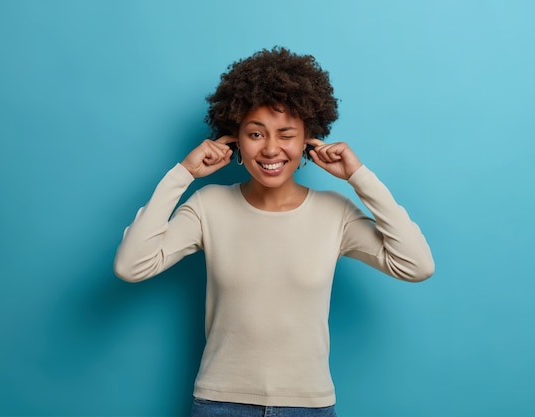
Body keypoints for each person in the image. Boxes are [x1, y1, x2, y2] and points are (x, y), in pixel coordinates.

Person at [114, 46, 434, 417]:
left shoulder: (335, 213)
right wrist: (181, 174)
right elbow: (131, 265)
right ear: (234, 139)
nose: (270, 149)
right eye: (255, 133)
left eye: (286, 134)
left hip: (308, 406)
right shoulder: (208, 207)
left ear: (307, 142)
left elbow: (415, 265)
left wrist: (359, 178)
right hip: (221, 404)